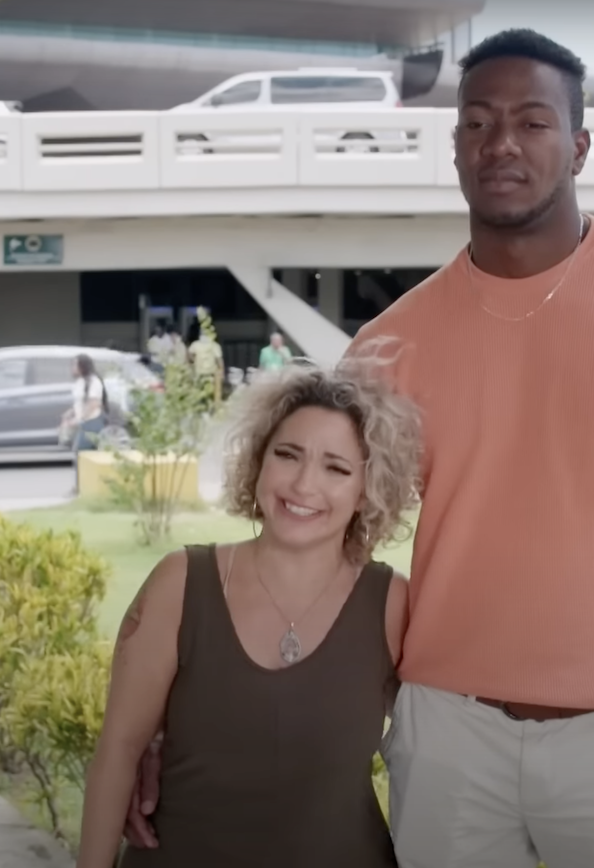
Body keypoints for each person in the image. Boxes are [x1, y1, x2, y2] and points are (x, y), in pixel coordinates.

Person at [126, 28, 594, 868]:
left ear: (579, 145)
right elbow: (312, 550)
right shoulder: (390, 345)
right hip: (446, 734)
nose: (501, 143)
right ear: (454, 148)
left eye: (532, 121)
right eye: (476, 123)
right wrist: (179, 719)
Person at [76, 358, 423, 868]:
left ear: (367, 490)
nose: (304, 485)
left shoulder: (392, 605)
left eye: (336, 467)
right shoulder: (181, 582)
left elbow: (443, 755)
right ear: (259, 460)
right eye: (288, 455)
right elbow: (118, 753)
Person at [63, 353, 108, 495]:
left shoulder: (94, 382)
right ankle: (91, 487)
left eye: (75, 365)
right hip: (83, 421)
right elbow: (79, 402)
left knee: (80, 453)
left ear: (83, 366)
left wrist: (79, 419)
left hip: (92, 422)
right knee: (89, 455)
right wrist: (70, 412)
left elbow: (94, 404)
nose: (73, 368)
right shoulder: (80, 382)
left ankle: (79, 487)